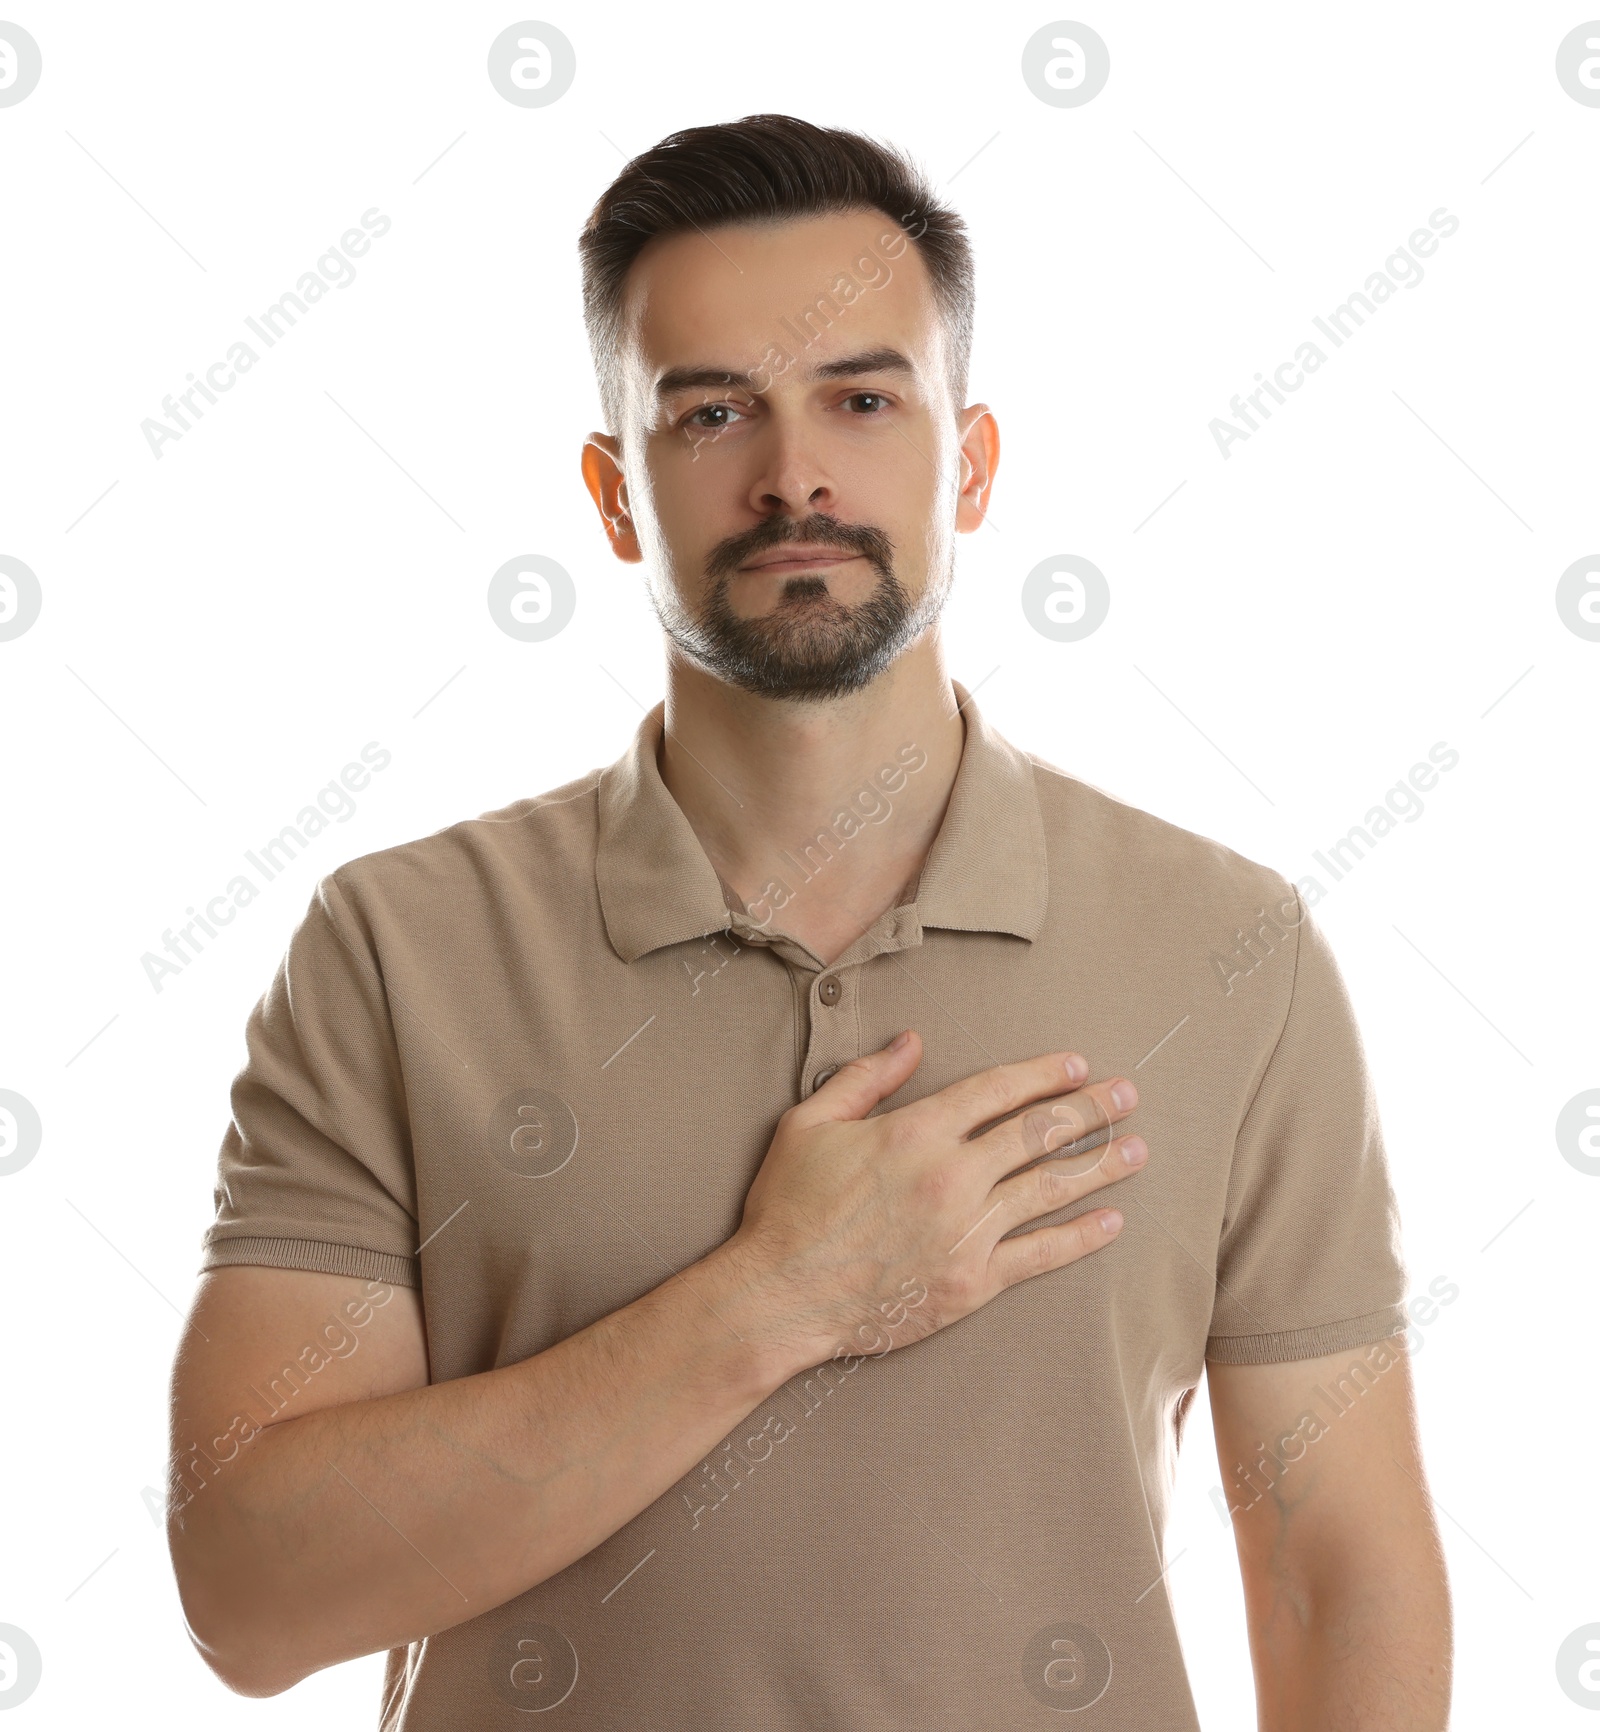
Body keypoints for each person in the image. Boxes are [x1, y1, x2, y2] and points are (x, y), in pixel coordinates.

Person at [166, 114, 1451, 1729]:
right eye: (711, 414)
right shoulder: (396, 949)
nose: (794, 477)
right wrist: (781, 1296)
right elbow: (251, 1596)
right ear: (615, 494)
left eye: (861, 397)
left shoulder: (1230, 952)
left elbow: (1339, 1577)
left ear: (967, 461)